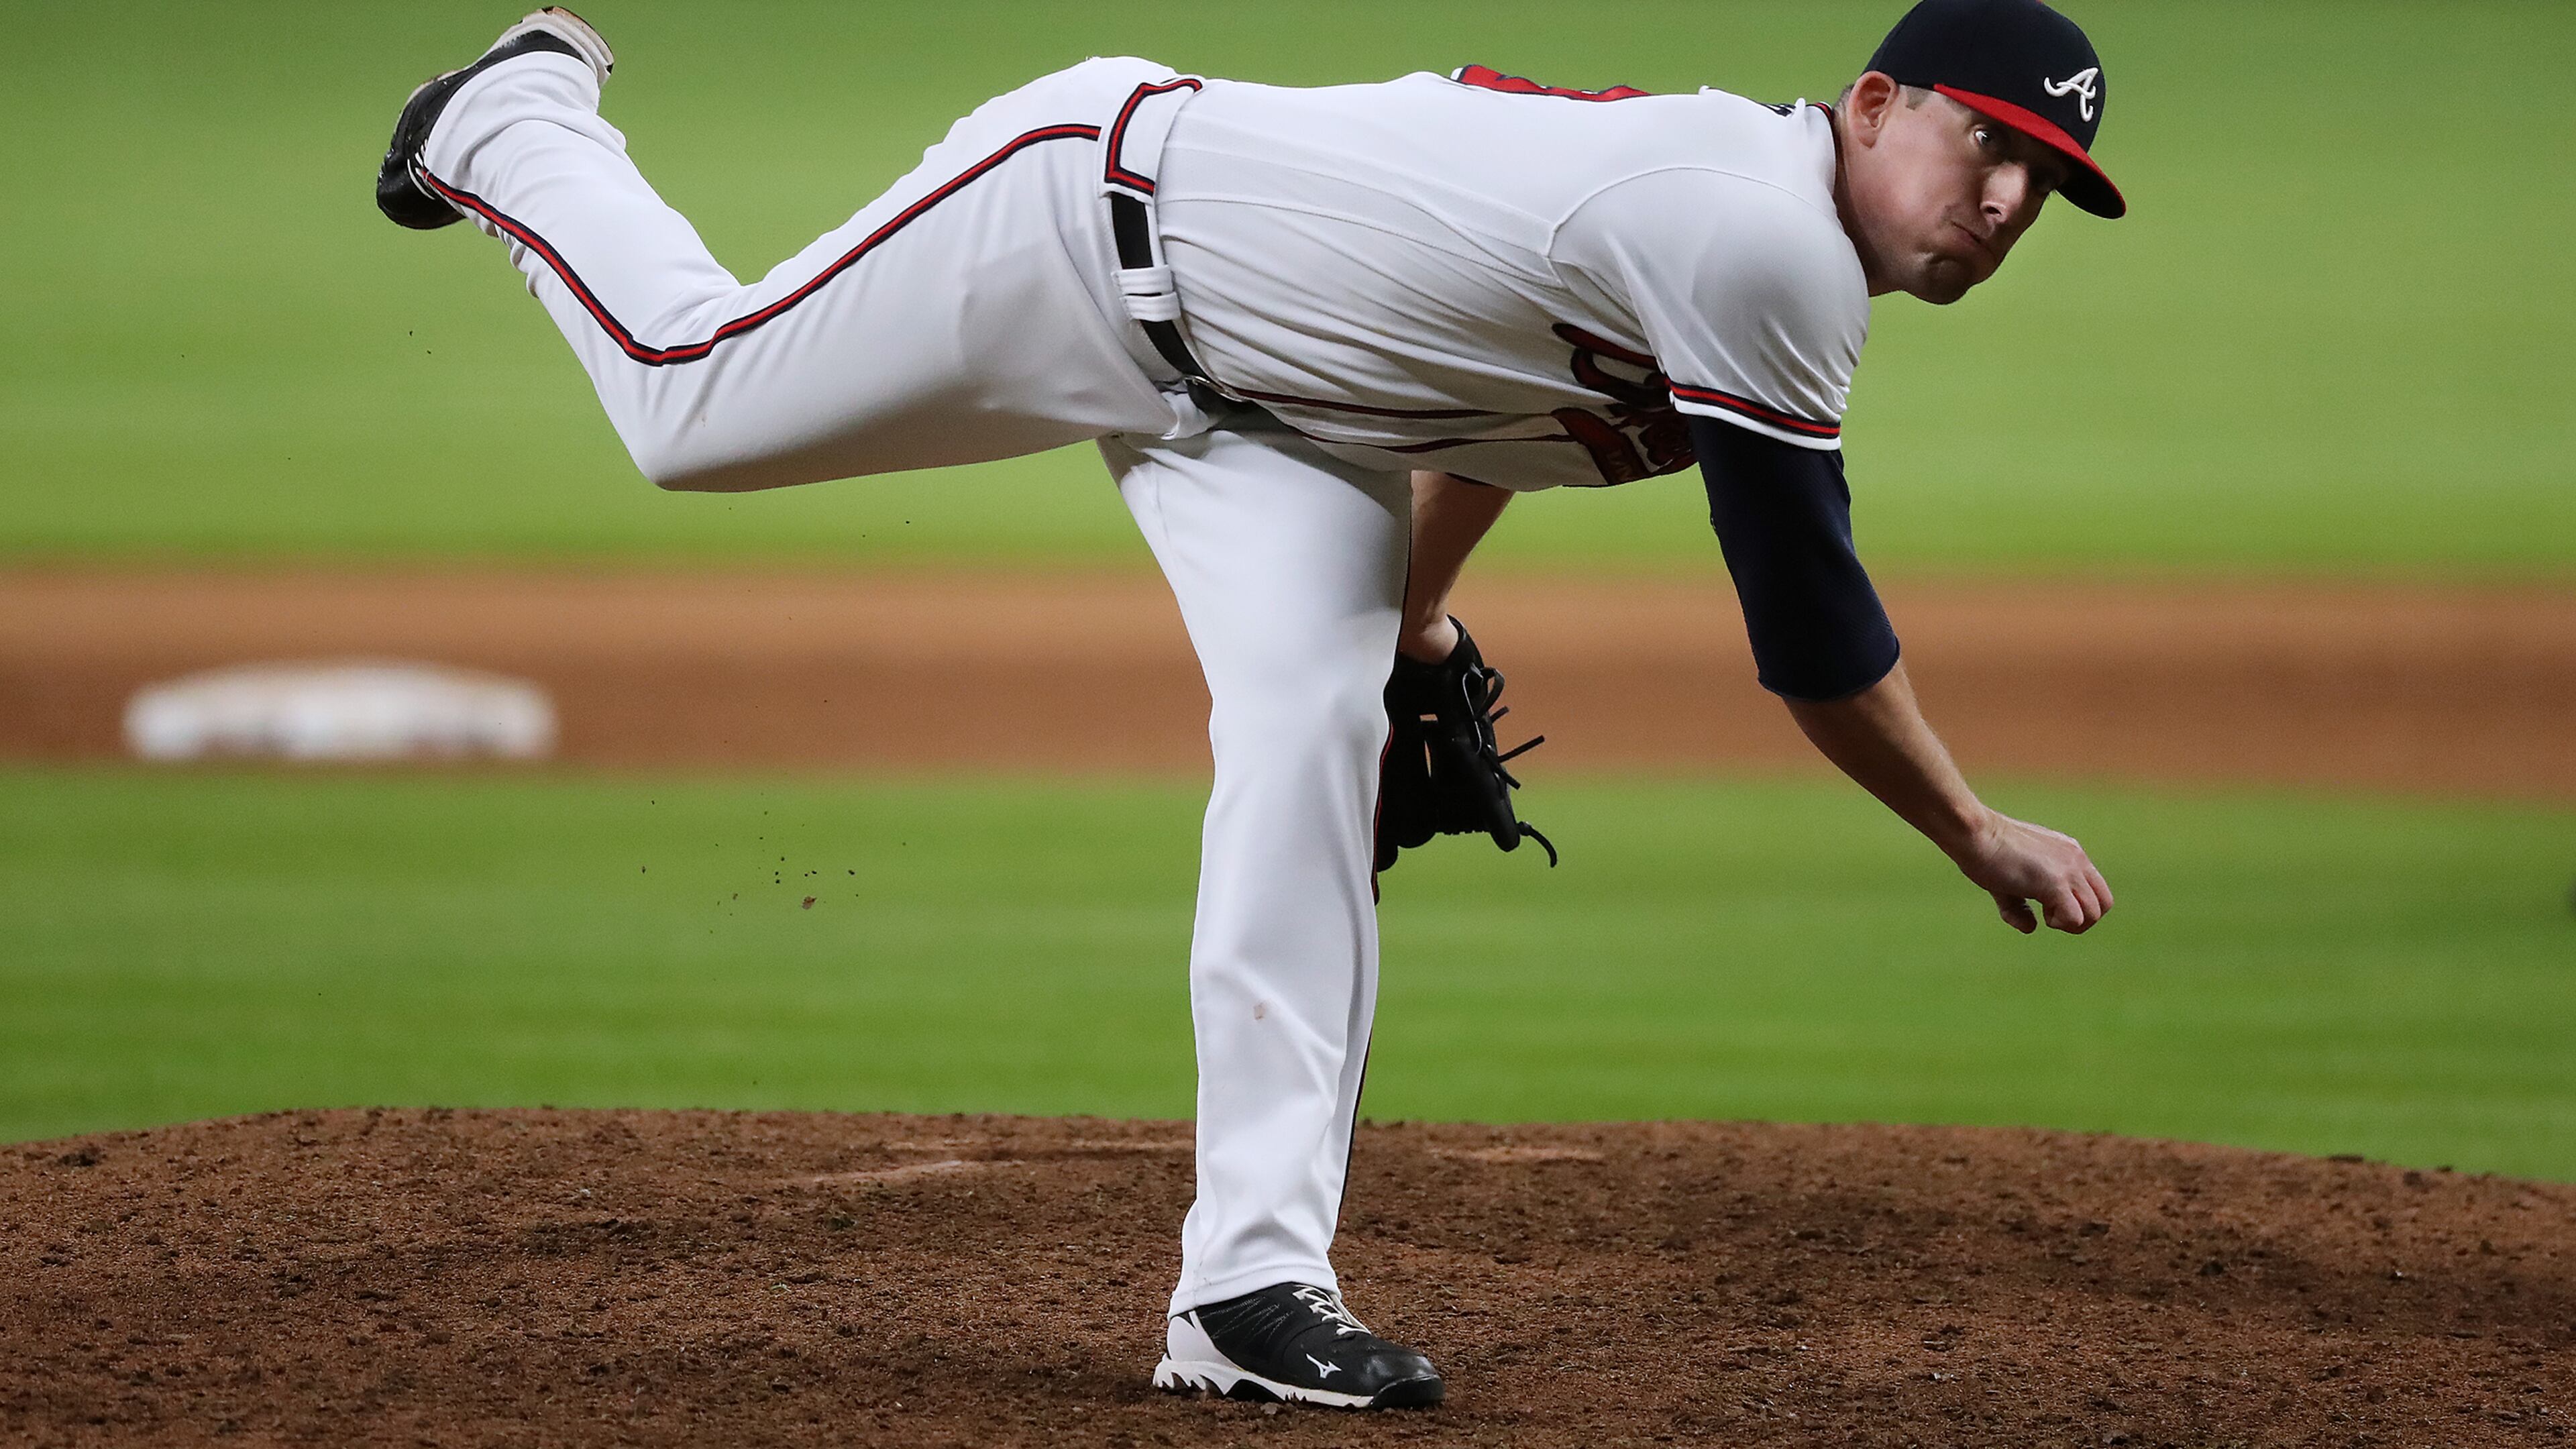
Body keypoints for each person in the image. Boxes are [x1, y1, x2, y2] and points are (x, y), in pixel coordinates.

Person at [377, 0, 2119, 1409]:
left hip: (1281, 418)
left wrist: (1414, 633)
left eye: (2048, 185)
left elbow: (1485, 383)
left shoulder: (1750, 244)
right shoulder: (1765, 236)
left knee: (1313, 731)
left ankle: (1248, 1288)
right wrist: (1970, 827)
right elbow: (1813, 627)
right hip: (1079, 223)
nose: (2004, 206)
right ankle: (516, 121)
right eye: (1991, 147)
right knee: (692, 407)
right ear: (1879, 103)